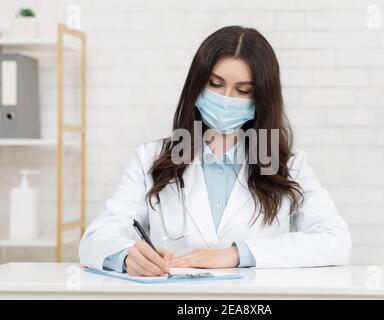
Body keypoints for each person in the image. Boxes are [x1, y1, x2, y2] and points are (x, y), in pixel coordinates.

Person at [79, 25, 351, 276]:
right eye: (215, 84)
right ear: (196, 85)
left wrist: (237, 254)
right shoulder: (151, 159)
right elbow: (96, 238)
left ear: (261, 100)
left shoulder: (286, 165)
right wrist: (126, 256)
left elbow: (335, 240)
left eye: (243, 90)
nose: (225, 100)